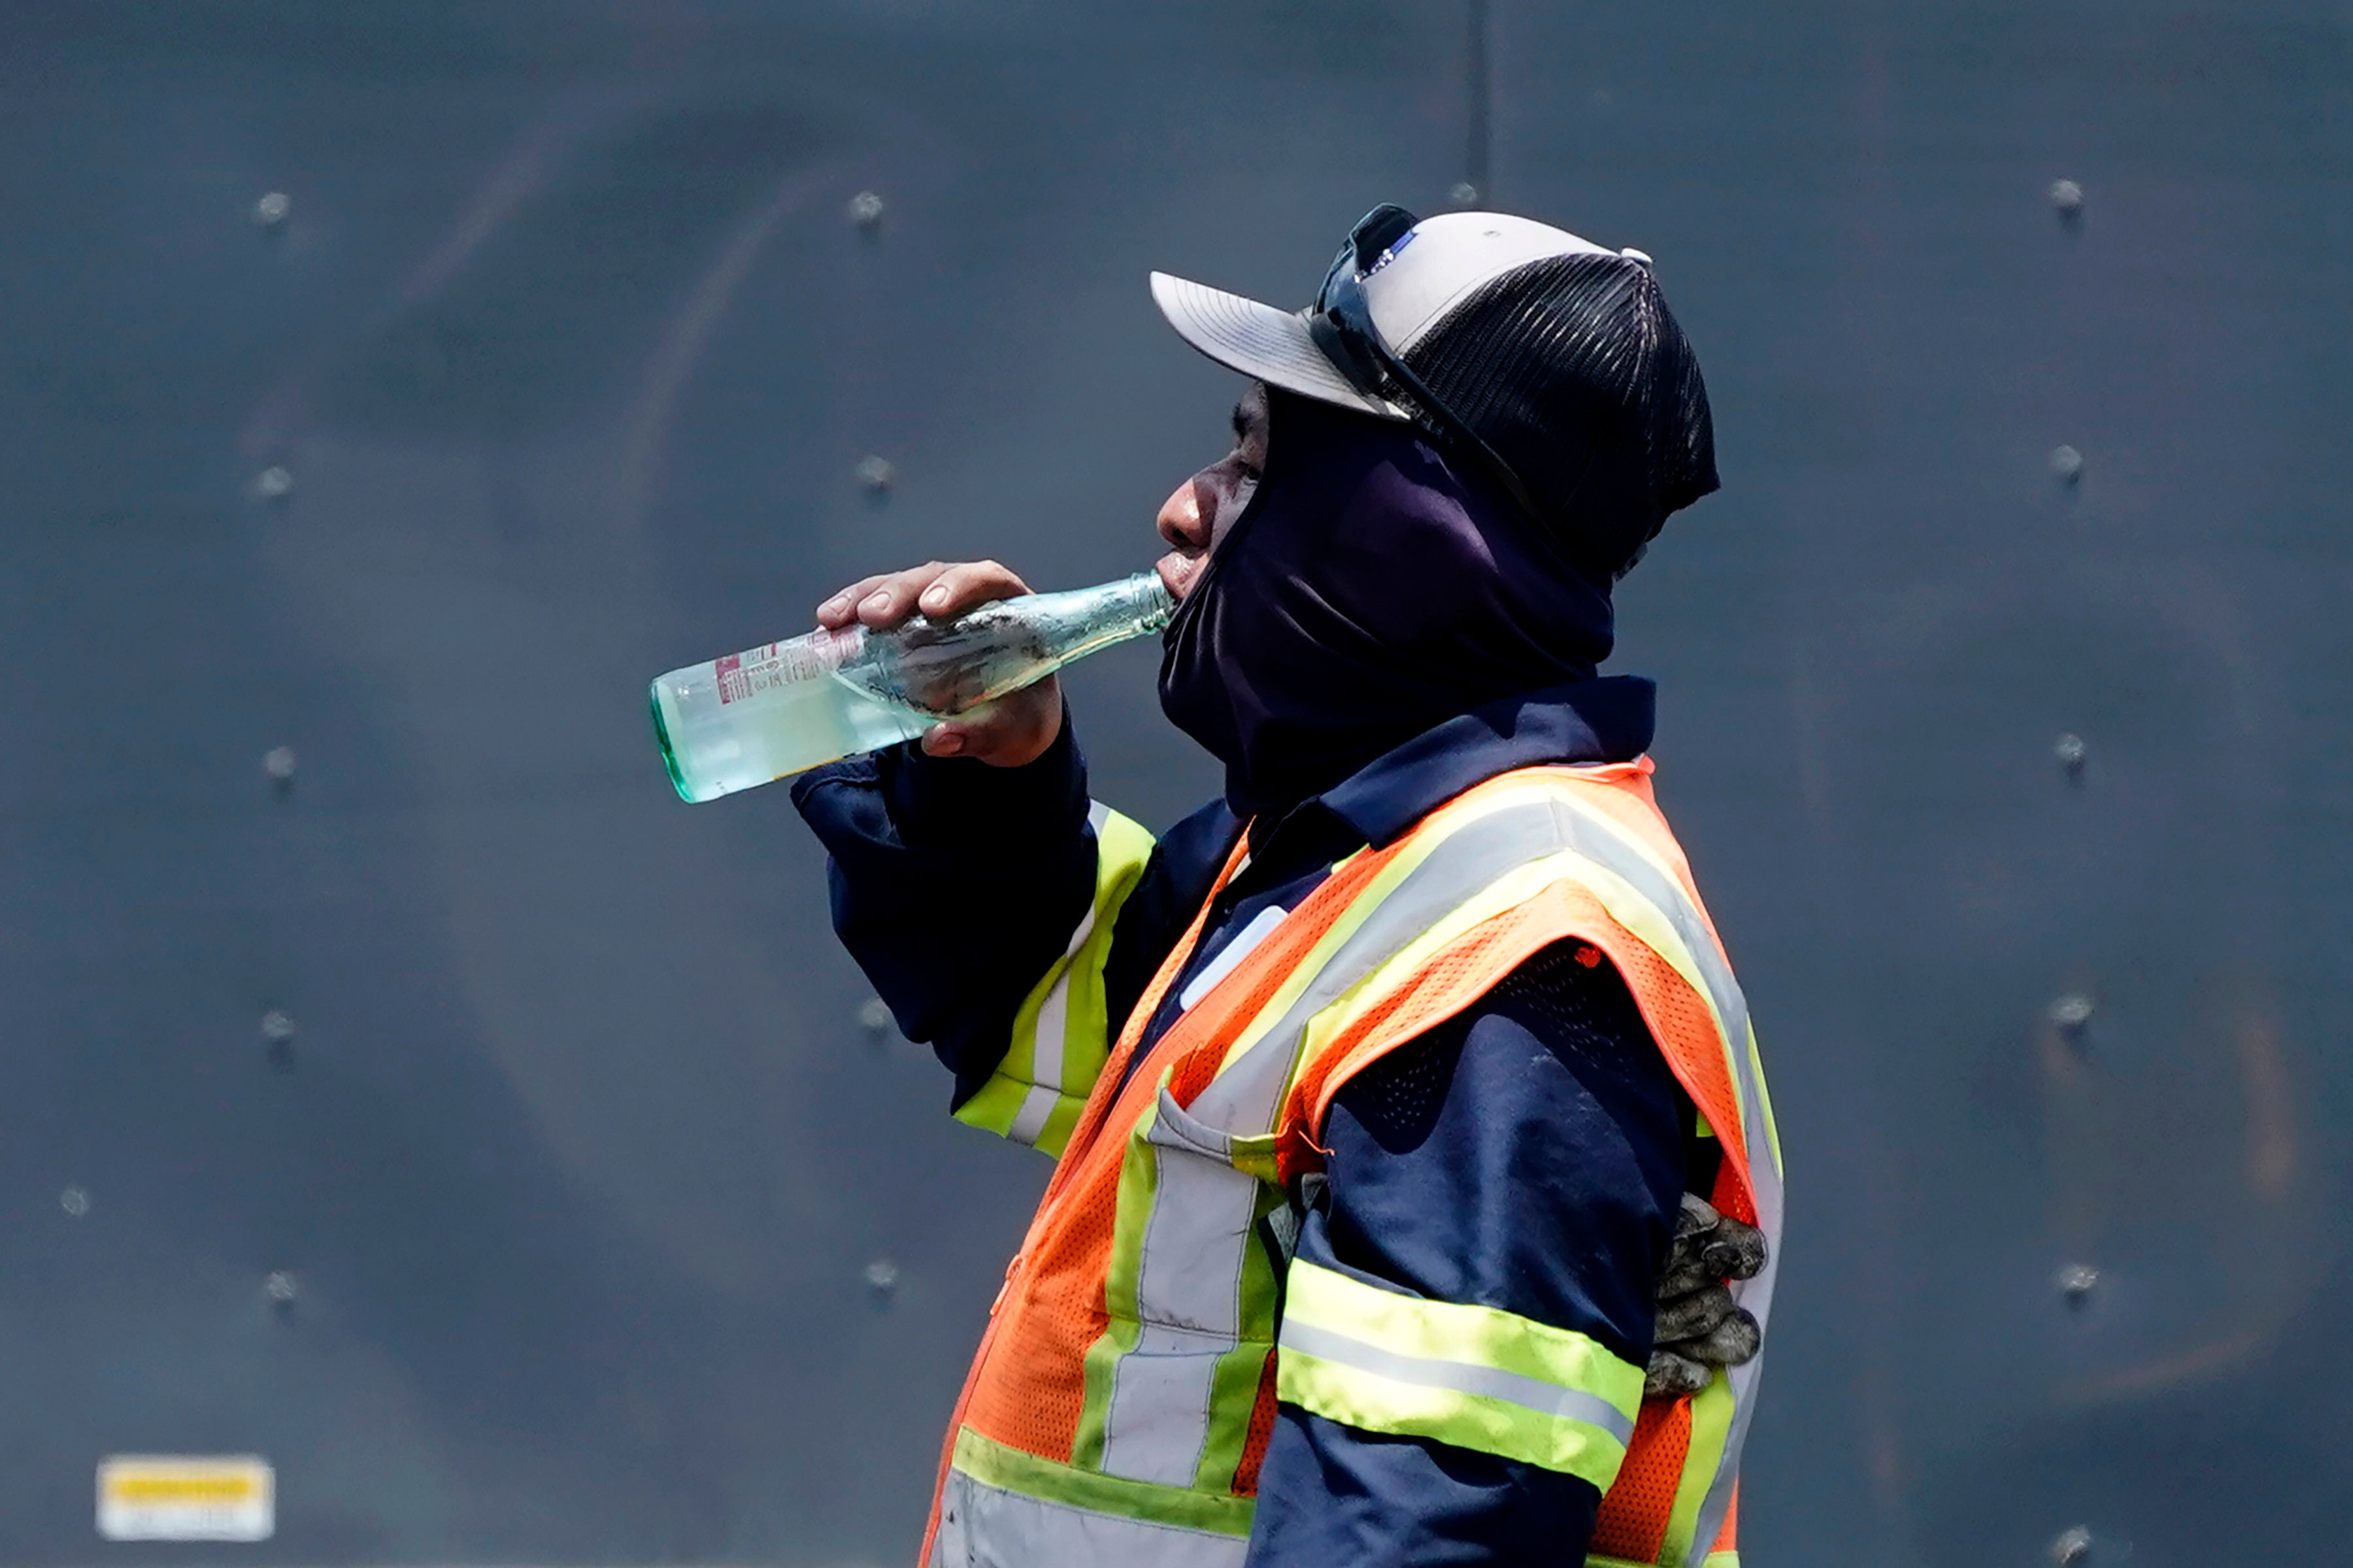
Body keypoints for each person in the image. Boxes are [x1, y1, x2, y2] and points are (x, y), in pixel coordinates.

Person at [793, 205, 1782, 1568]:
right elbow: (1090, 1039)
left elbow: (1425, 1535)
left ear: (1399, 530)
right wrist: (992, 780)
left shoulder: (1518, 960)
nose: (1185, 503)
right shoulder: (1354, 857)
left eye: (1258, 456)